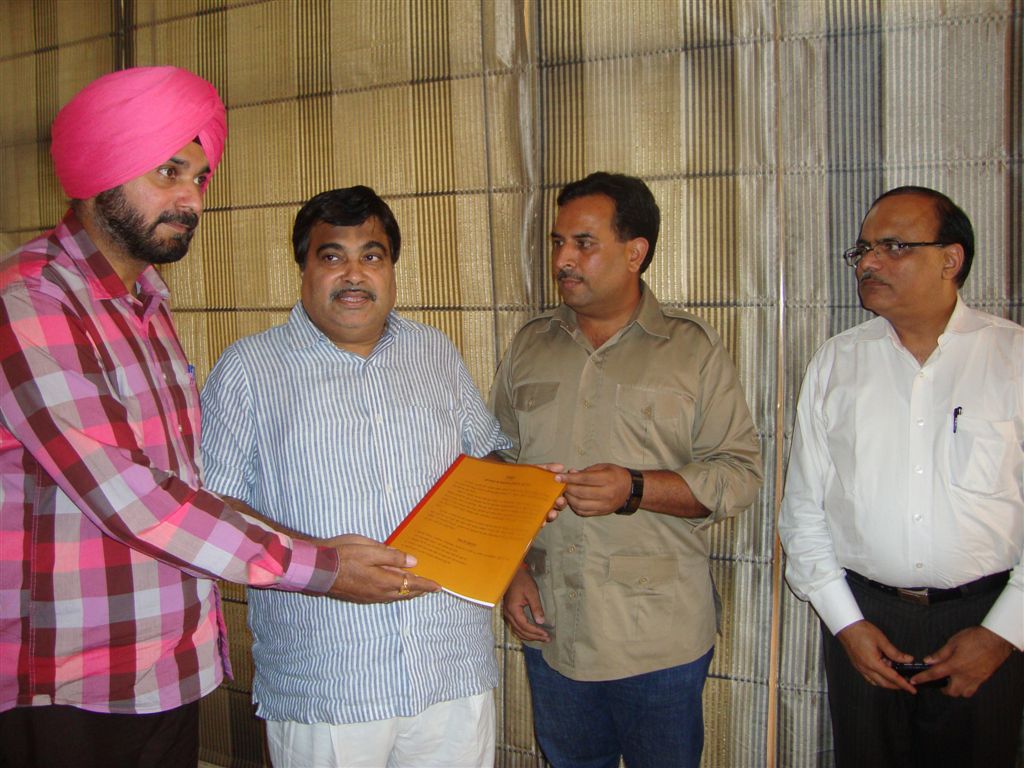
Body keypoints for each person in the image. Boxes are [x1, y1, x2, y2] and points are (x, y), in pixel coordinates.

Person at [0, 67, 431, 768]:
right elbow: (132, 500)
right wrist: (322, 566)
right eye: (169, 170)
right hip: (71, 682)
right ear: (98, 168)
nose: (189, 199)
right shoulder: (30, 302)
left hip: (169, 667)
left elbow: (186, 483)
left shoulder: (149, 305)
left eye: (199, 178)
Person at [199, 185, 512, 768]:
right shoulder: (248, 369)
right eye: (331, 255)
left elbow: (486, 458)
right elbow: (213, 505)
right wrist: (322, 560)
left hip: (450, 662)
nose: (354, 274)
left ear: (392, 268)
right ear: (303, 268)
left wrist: (521, 498)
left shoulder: (434, 353)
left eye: (372, 255)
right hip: (330, 677)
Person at [491, 172, 763, 768]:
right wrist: (510, 573)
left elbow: (739, 473)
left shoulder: (692, 350)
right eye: (558, 242)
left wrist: (635, 488)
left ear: (635, 252)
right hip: (553, 625)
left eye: (583, 243)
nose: (562, 259)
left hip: (657, 637)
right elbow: (497, 467)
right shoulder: (531, 344)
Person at [778, 186, 1023, 767]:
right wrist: (846, 625)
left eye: (893, 246)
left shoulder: (1012, 360)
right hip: (866, 622)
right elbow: (804, 511)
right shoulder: (837, 363)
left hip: (986, 620)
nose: (866, 263)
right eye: (862, 249)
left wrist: (1003, 633)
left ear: (950, 259)